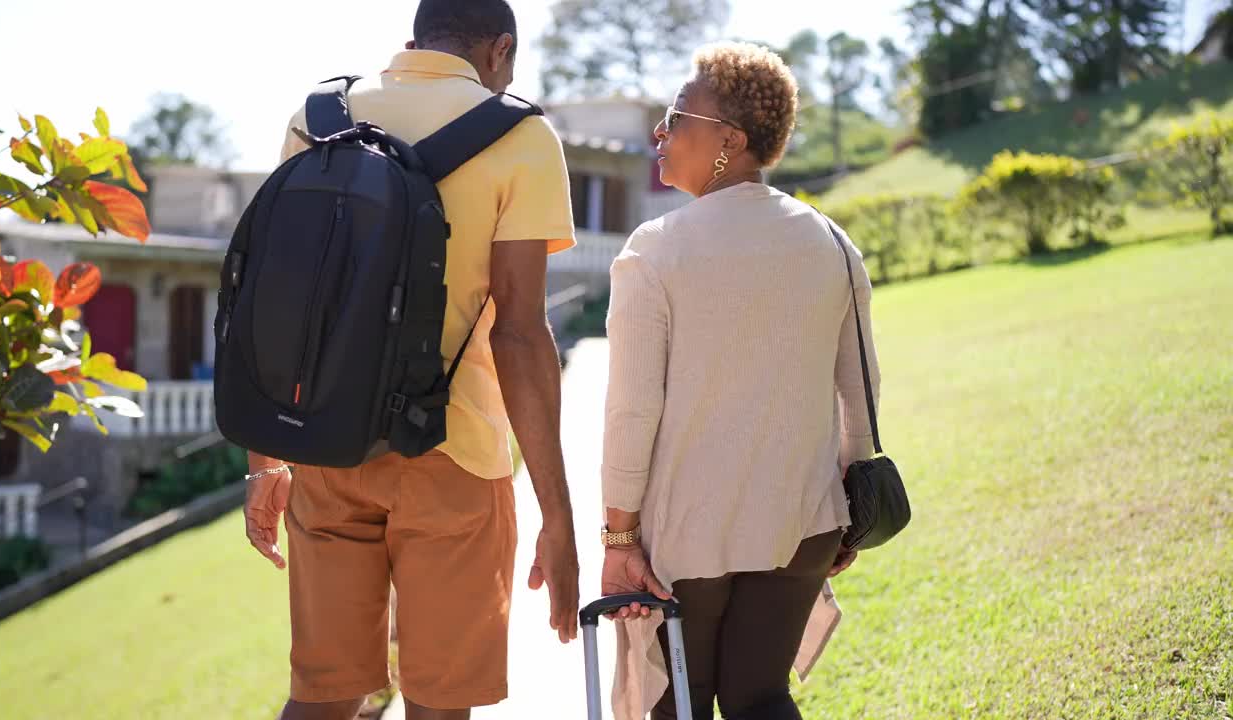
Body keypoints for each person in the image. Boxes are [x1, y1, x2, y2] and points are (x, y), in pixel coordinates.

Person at [242, 2, 580, 719]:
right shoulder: (521, 135)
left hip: (326, 449)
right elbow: (518, 333)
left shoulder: (318, 117)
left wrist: (264, 460)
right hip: (454, 454)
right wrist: (558, 516)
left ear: (411, 45)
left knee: (321, 698)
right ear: (500, 51)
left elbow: (275, 302)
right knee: (438, 704)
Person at [598, 42, 879, 720]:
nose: (659, 134)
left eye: (675, 116)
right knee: (761, 699)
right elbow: (861, 395)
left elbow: (631, 413)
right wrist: (847, 512)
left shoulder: (654, 250)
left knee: (676, 708)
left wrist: (618, 539)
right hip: (803, 522)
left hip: (685, 536)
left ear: (730, 139)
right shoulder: (834, 244)